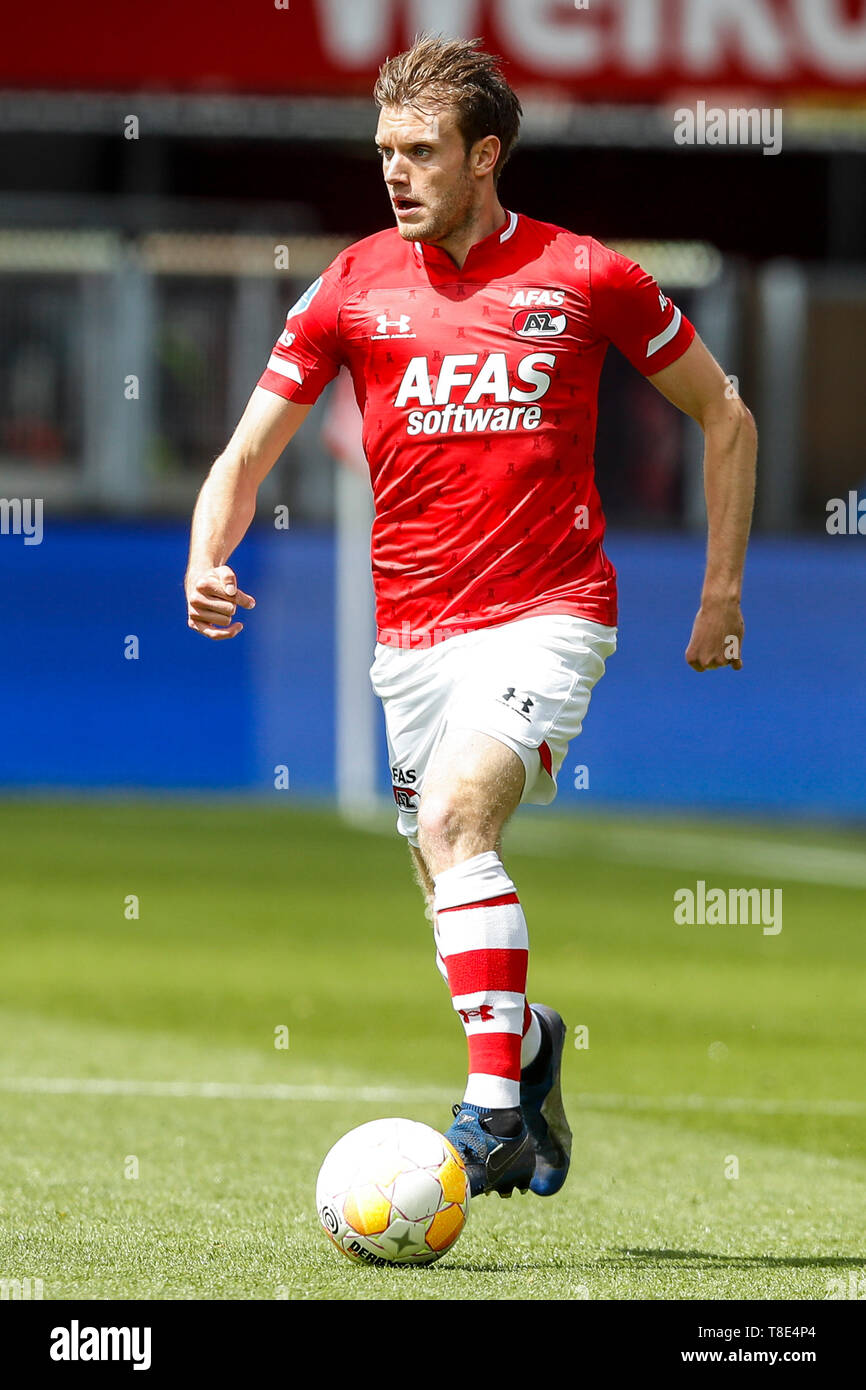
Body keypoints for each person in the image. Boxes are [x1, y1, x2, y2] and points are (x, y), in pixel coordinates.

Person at [185, 34, 757, 1200]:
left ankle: (490, 1113)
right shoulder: (350, 285)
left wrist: (718, 589)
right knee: (445, 870)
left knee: (455, 818)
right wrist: (207, 549)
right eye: (383, 151)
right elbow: (249, 448)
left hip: (548, 612)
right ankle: (530, 1050)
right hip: (411, 639)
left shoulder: (587, 276)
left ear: (484, 155)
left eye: (420, 152)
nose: (393, 173)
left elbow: (726, 415)